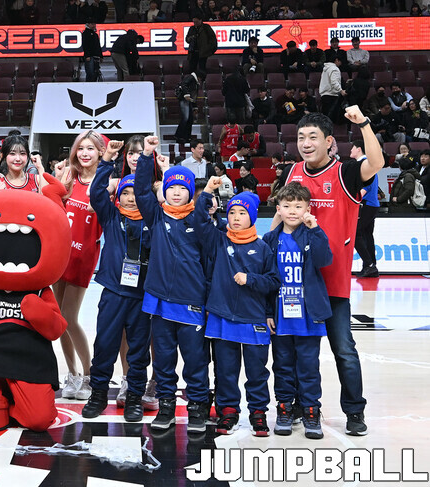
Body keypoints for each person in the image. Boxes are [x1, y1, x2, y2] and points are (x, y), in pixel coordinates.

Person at [282, 108, 385, 436]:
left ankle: (354, 410)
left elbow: (377, 163)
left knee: (344, 350)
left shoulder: (347, 172)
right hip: (297, 282)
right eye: (301, 137)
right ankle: (299, 405)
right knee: (297, 349)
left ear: (329, 141)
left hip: (333, 283)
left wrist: (364, 124)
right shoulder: (293, 172)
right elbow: (282, 217)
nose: (305, 143)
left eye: (313, 137)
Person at [135, 139, 212, 433]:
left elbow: (210, 261)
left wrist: (207, 298)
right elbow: (142, 191)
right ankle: (166, 405)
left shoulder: (199, 220)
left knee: (195, 360)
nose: (176, 192)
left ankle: (197, 407)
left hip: (192, 301)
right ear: (164, 190)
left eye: (182, 187)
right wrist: (146, 156)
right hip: (160, 302)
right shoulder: (156, 216)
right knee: (164, 360)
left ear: (191, 191)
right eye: (171, 187)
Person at [194, 184, 281, 436]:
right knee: (225, 370)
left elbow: (273, 281)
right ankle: (228, 411)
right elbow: (200, 222)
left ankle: (258, 412)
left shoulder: (263, 247)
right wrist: (207, 193)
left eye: (242, 213)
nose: (236, 217)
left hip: (253, 318)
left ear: (252, 216)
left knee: (257, 372)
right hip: (222, 317)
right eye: (232, 213)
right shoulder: (218, 240)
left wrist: (251, 279)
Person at [82, 140, 151, 423]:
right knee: (105, 345)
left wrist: (147, 159)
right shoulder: (111, 217)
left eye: (136, 193)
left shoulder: (153, 219)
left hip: (141, 297)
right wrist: (108, 160)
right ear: (118, 197)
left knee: (138, 352)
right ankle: (98, 394)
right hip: (113, 292)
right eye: (125, 193)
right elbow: (97, 192)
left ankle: (134, 396)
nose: (131, 198)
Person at [263, 182, 332, 439]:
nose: (293, 211)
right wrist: (268, 312)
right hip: (280, 317)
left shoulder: (312, 234)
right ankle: (284, 409)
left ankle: (311, 411)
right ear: (278, 209)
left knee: (308, 367)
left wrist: (316, 230)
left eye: (298, 206)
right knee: (282, 366)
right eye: (287, 206)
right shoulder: (270, 240)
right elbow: (267, 280)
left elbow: (325, 260)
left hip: (308, 317)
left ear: (308, 209)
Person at [53, 130, 105, 401]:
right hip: (60, 254)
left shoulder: (105, 182)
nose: (85, 153)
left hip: (83, 256)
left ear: (100, 152)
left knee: (69, 317)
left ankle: (88, 374)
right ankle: (72, 374)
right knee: (59, 319)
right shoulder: (68, 178)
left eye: (90, 148)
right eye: (81, 148)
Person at [350, 140, 380, 278]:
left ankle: (369, 264)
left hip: (366, 204)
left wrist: (354, 197)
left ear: (359, 149)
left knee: (355, 233)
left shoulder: (364, 163)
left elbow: (367, 185)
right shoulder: (367, 163)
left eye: (353, 147)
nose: (351, 150)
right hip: (371, 204)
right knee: (367, 235)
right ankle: (370, 266)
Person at [174, 71, 201, 144]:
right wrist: (187, 94)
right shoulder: (191, 78)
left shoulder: (194, 82)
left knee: (190, 119)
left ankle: (186, 137)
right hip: (184, 99)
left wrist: (195, 106)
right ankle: (179, 136)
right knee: (185, 118)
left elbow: (193, 96)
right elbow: (184, 84)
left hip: (188, 101)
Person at [319, 56, 345, 123]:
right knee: (331, 119)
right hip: (331, 96)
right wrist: (341, 90)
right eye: (340, 61)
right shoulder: (334, 69)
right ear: (336, 60)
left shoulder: (325, 69)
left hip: (324, 95)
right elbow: (334, 82)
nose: (340, 64)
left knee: (324, 119)